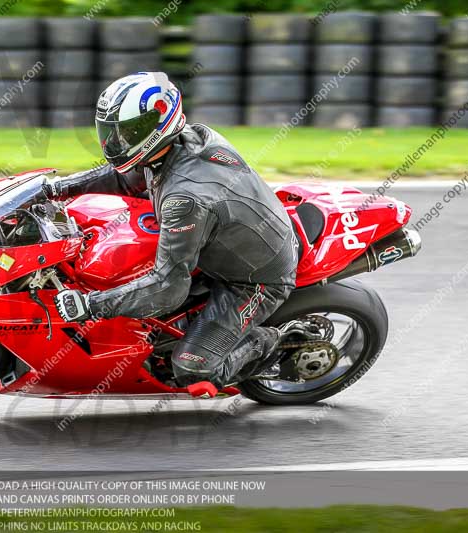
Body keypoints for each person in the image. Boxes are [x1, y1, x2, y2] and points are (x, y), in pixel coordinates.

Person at [48, 72, 315, 394]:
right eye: (111, 131)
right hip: (227, 239)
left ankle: (274, 339)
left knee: (193, 369)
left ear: (158, 125)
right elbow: (125, 178)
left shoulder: (184, 199)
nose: (116, 141)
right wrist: (56, 188)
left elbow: (167, 288)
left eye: (129, 131)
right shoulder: (181, 142)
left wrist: (91, 305)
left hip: (252, 279)